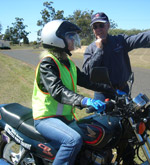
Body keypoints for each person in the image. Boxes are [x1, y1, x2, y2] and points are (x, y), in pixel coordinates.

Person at [32, 20, 113, 165]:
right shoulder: (48, 64)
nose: (74, 40)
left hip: (65, 118)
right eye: (70, 36)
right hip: (45, 118)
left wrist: (111, 89)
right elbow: (58, 91)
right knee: (72, 140)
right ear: (56, 39)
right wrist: (85, 101)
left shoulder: (67, 62)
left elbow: (87, 81)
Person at [82, 12, 150, 101]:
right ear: (93, 29)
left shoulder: (120, 41)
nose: (98, 29)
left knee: (126, 122)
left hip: (123, 90)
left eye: (101, 25)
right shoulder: (90, 49)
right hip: (102, 94)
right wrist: (99, 50)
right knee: (103, 123)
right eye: (95, 26)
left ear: (108, 25)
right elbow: (87, 72)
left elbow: (139, 38)